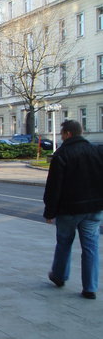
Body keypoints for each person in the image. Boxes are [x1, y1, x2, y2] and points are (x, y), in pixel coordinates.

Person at [43, 120, 103, 299]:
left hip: (69, 209)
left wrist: (50, 211)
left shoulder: (62, 154)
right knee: (91, 247)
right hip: (93, 208)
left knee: (64, 243)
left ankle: (59, 276)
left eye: (62, 133)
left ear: (68, 133)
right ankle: (90, 287)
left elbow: (54, 187)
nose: (61, 136)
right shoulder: (97, 151)